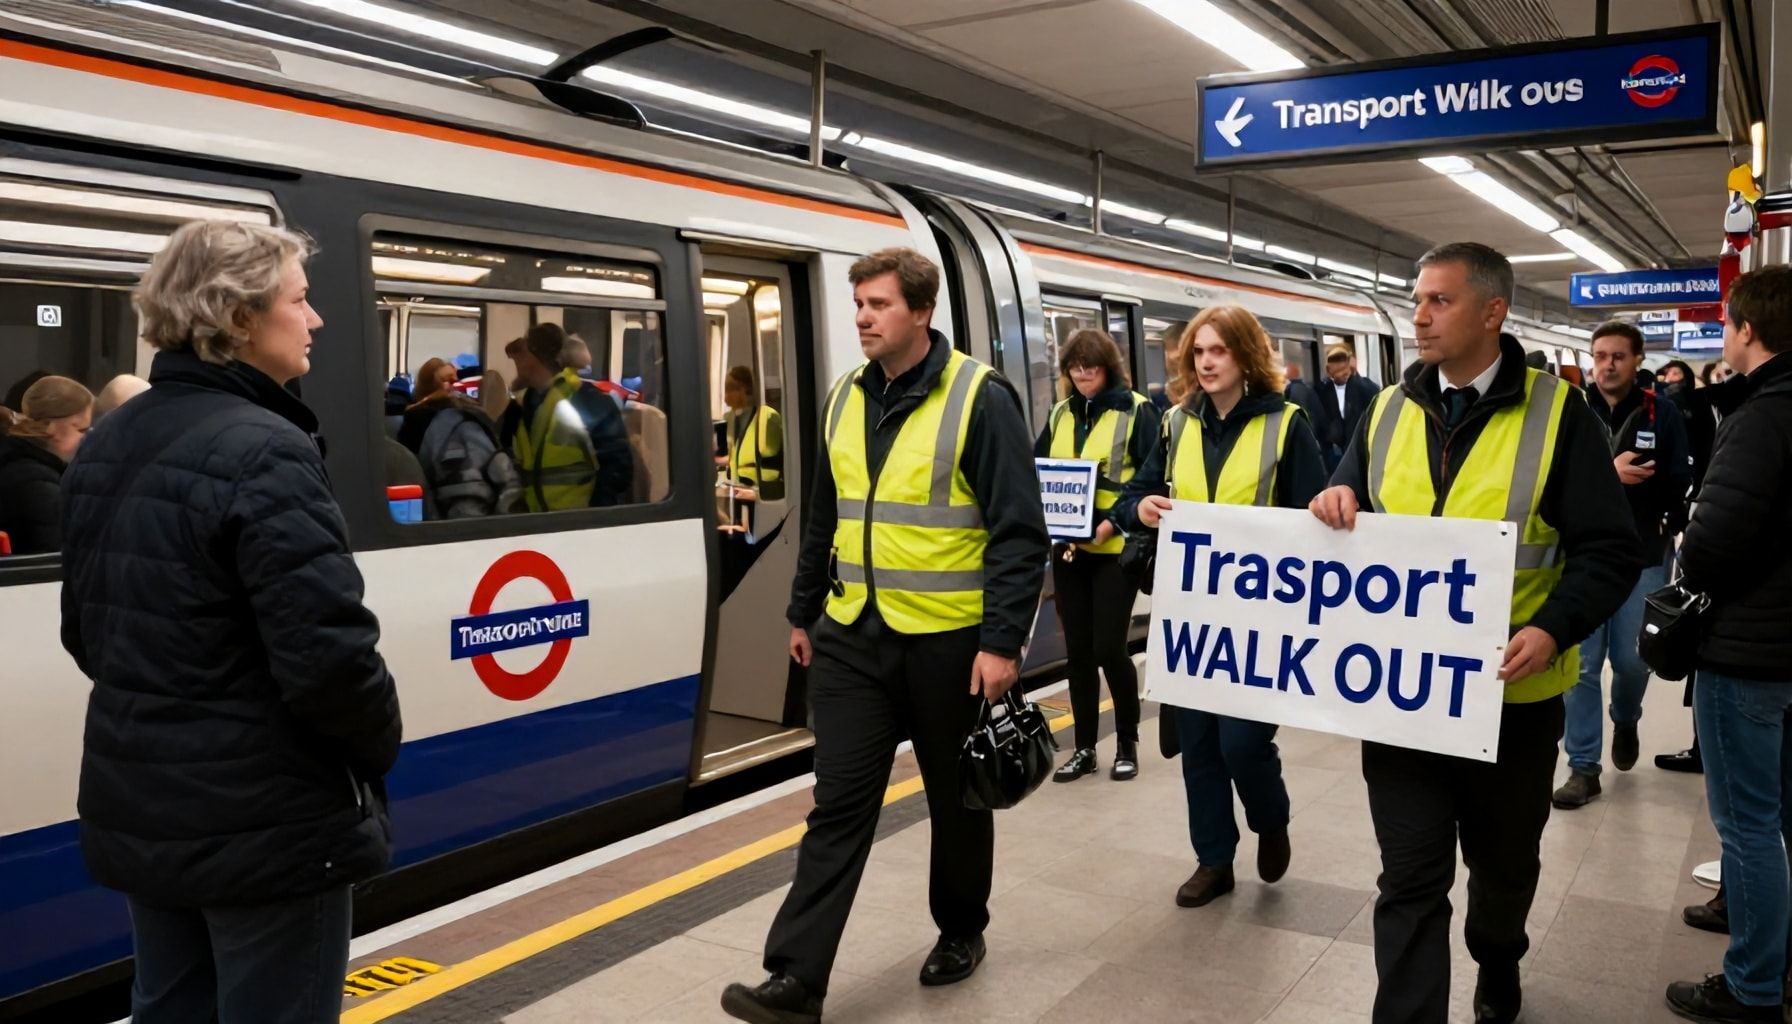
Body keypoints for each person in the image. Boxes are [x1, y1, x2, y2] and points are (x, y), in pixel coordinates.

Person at [59, 219, 400, 1024]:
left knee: (170, 1009)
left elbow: (86, 632)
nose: (314, 320)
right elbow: (328, 657)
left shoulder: (109, 441)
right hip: (268, 821)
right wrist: (375, 750)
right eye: (301, 300)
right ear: (241, 318)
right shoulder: (266, 446)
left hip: (143, 798)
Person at [1311, 242, 1639, 1024]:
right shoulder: (1387, 409)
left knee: (1502, 865)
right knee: (1411, 878)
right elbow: (1349, 496)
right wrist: (1335, 498)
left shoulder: (1560, 416)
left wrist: (1554, 630)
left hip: (1512, 701)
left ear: (1492, 312)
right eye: (1417, 299)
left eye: (1438, 301)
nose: (1417, 317)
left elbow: (1610, 549)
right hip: (1402, 699)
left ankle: (1499, 956)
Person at [720, 248, 1047, 1024]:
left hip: (949, 644)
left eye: (878, 304)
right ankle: (795, 980)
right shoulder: (842, 397)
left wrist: (1001, 642)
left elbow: (1017, 532)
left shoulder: (979, 398)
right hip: (853, 639)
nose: (862, 316)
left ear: (921, 312)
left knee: (956, 798)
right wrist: (804, 613)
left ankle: (962, 928)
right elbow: (824, 515)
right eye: (858, 303)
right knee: (838, 805)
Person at [1111, 305, 1325, 907]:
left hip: (1261, 618)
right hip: (1190, 613)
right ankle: (1213, 860)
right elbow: (1135, 495)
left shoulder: (1288, 425)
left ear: (1246, 356)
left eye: (1219, 351)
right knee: (1198, 746)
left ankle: (1271, 817)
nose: (1205, 361)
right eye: (1197, 352)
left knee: (1243, 744)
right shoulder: (1175, 423)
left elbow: (1317, 514)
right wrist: (1141, 510)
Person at [1663, 265, 1792, 1024]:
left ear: (1746, 329)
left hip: (1748, 650)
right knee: (1781, 817)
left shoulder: (1763, 412)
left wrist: (1689, 538)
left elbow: (1712, 544)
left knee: (1747, 823)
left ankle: (1750, 985)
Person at [1553, 322, 1691, 808]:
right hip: (1580, 555)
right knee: (1583, 664)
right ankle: (1583, 766)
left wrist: (1660, 510)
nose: (1607, 364)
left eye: (1617, 356)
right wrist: (1607, 478)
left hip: (1643, 554)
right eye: (1600, 355)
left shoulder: (1663, 413)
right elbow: (1553, 477)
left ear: (1636, 362)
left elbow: (1680, 479)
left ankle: (1627, 717)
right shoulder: (1569, 411)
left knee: (1633, 661)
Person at [1034, 328, 1158, 783]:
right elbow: (1042, 470)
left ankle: (1127, 739)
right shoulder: (1061, 414)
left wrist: (1110, 524)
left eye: (1092, 367)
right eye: (1075, 368)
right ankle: (1084, 747)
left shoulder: (1139, 412)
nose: (1083, 375)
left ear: (1109, 368)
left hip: (1115, 549)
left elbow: (1151, 480)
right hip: (1069, 551)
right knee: (1078, 653)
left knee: (1109, 646)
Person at [500, 322, 633, 510]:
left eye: (523, 353)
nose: (518, 362)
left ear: (535, 356)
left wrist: (596, 514)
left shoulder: (586, 400)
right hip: (534, 523)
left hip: (576, 523)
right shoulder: (520, 406)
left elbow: (617, 467)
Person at [0, 375, 93, 554]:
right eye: (80, 429)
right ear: (51, 427)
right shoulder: (37, 483)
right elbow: (57, 553)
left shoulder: (18, 462)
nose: (86, 439)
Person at [1313, 341, 1379, 472]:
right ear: (1329, 371)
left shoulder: (1364, 387)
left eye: (1346, 369)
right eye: (1339, 371)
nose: (1344, 373)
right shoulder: (1322, 391)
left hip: (1359, 449)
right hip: (1334, 451)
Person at [722, 365, 785, 502]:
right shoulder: (731, 418)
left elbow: (775, 462)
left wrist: (757, 494)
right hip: (739, 491)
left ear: (744, 389)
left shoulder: (768, 417)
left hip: (766, 497)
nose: (725, 394)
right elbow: (735, 456)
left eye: (729, 388)